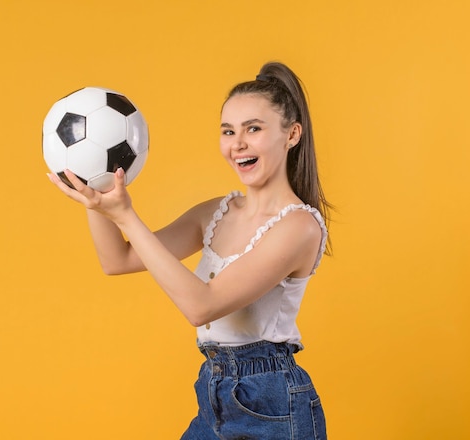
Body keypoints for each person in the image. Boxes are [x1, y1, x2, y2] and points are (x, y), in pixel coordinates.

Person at [47, 61, 331, 440]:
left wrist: (127, 215)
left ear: (292, 134)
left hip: (273, 405)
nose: (238, 143)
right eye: (228, 131)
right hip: (215, 391)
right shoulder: (215, 212)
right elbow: (118, 260)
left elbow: (202, 306)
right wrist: (95, 197)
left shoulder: (299, 227)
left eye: (254, 129)